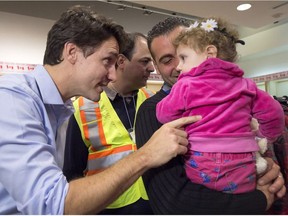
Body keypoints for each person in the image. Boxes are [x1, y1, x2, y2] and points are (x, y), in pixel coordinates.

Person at [0, 6, 200, 214]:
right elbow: (53, 205)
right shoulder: (13, 100)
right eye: (107, 61)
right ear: (72, 52)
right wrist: (146, 155)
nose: (113, 75)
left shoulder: (58, 109)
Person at [135, 17, 286, 214]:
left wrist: (270, 171)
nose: (179, 66)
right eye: (167, 59)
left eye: (183, 55)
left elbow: (267, 144)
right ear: (156, 65)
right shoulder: (150, 110)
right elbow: (173, 203)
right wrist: (259, 200)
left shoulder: (240, 92)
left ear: (207, 50)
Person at [63, 32, 155, 214]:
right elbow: (72, 174)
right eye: (144, 61)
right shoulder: (82, 109)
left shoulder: (152, 103)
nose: (152, 68)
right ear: (121, 61)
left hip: (152, 206)